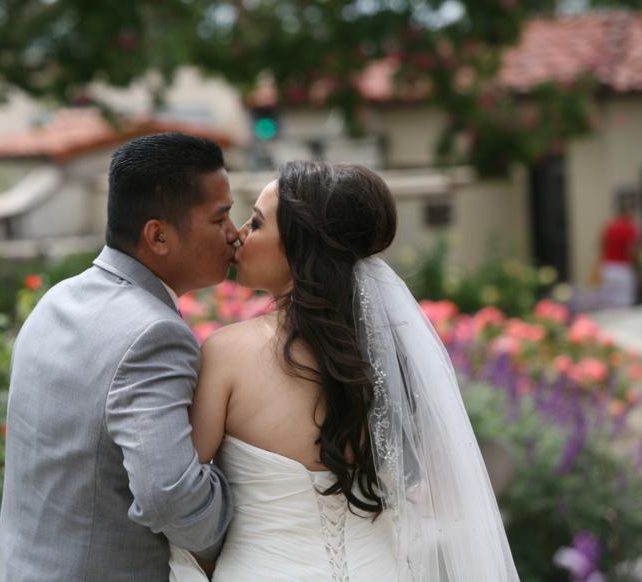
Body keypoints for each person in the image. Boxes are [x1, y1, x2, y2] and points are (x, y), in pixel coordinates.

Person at [170, 161, 519, 581]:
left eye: (257, 223)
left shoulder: (227, 353)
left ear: (300, 246)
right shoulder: (392, 356)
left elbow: (181, 495)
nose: (240, 233)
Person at [0, 133, 237, 581]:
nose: (234, 233)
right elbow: (169, 497)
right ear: (158, 236)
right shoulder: (153, 334)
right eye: (219, 218)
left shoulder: (56, 299)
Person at [598, 194, 641, 307]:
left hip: (608, 268)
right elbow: (632, 251)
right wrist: (637, 268)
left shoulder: (609, 226)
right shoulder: (630, 228)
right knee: (625, 304)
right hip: (623, 269)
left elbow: (602, 246)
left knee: (609, 303)